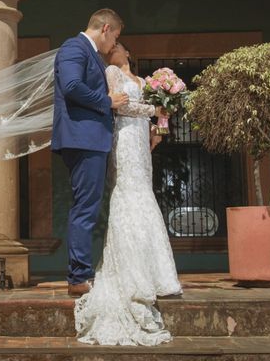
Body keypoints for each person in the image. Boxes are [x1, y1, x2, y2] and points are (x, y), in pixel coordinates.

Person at [73, 41, 182, 346]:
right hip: (122, 137)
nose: (112, 50)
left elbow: (162, 113)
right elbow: (118, 105)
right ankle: (128, 269)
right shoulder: (110, 72)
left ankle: (151, 268)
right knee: (128, 194)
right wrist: (153, 109)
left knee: (144, 195)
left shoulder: (144, 81)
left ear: (127, 52)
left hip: (142, 142)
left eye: (117, 46)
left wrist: (159, 127)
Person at [51, 8, 129, 297]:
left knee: (88, 206)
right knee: (85, 207)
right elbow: (71, 86)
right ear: (106, 28)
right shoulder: (75, 47)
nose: (113, 46)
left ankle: (80, 274)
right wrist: (106, 101)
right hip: (83, 139)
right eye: (115, 38)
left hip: (89, 139)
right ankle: (78, 277)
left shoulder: (88, 52)